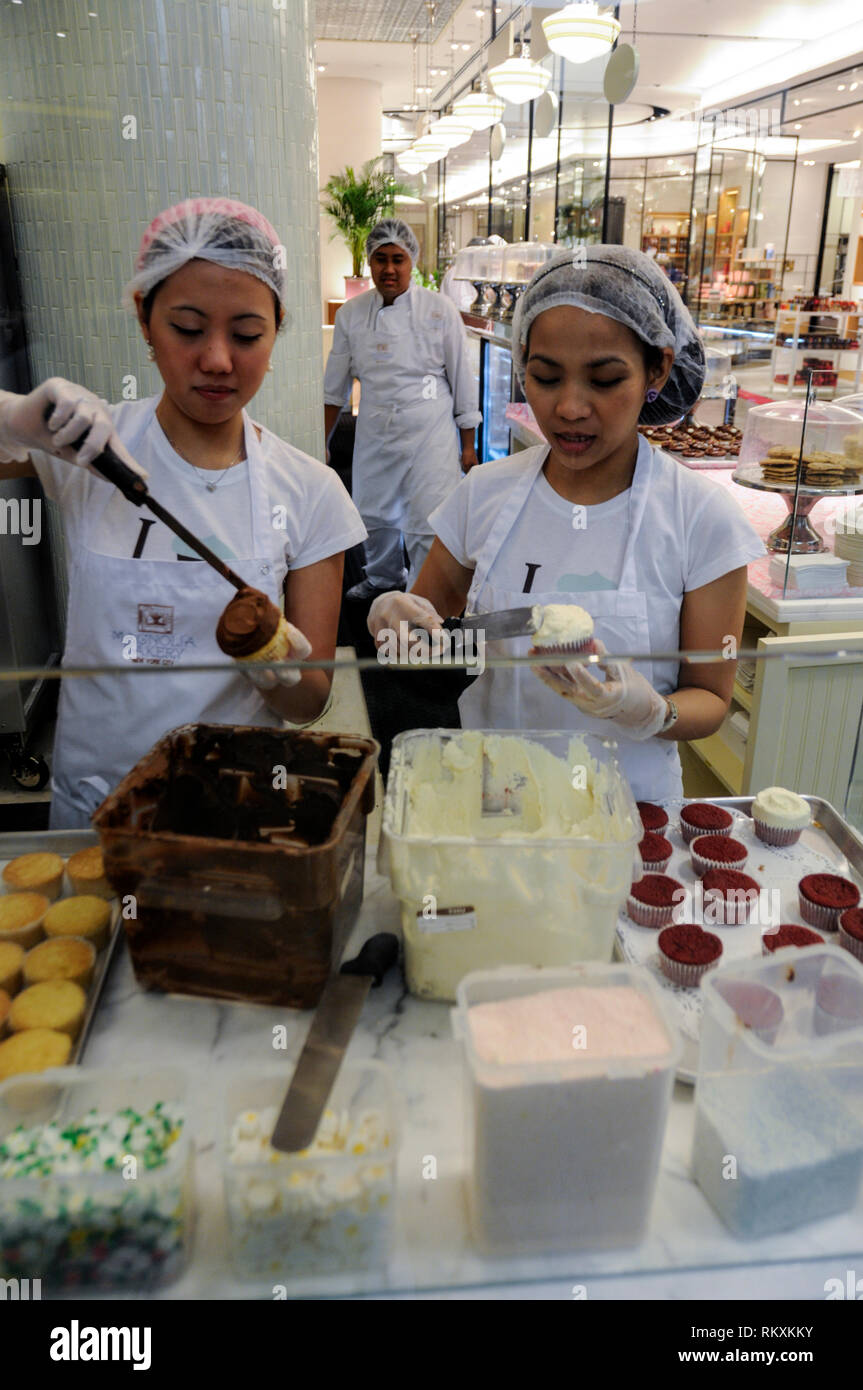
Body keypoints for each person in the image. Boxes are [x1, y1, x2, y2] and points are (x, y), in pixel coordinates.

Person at [0, 198, 366, 828]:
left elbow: (310, 701)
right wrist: (17, 417)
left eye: (247, 334)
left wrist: (274, 660)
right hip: (96, 808)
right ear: (144, 319)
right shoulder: (92, 453)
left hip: (231, 815)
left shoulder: (310, 491)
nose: (218, 360)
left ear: (277, 328)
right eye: (188, 329)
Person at [365, 246, 766, 802]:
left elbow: (712, 699)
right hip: (494, 802)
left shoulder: (701, 518)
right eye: (546, 377)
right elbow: (427, 644)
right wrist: (393, 618)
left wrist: (650, 709)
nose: (570, 408)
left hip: (630, 812)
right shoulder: (484, 493)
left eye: (604, 380)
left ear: (659, 368)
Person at [323, 217, 481, 600]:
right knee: (374, 516)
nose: (389, 269)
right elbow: (334, 389)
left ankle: (422, 598)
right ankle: (382, 579)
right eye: (381, 259)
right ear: (370, 263)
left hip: (431, 434)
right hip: (376, 431)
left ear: (412, 261)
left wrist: (468, 445)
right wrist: (322, 443)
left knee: (428, 520)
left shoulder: (439, 310)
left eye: (398, 259)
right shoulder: (351, 315)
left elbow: (462, 378)